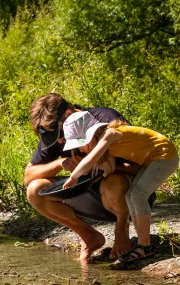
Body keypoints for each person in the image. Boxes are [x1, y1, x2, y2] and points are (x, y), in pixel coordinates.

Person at [25, 93, 141, 262]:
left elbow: (142, 166)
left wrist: (100, 165)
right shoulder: (55, 135)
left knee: (112, 182)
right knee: (35, 190)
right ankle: (89, 237)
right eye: (54, 138)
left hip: (127, 195)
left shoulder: (107, 120)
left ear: (68, 114)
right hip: (92, 195)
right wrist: (61, 163)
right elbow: (28, 176)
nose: (60, 141)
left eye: (60, 135)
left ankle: (121, 230)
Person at [62, 111, 179, 264]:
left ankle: (145, 246)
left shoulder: (109, 135)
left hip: (164, 156)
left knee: (138, 195)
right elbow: (109, 168)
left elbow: (91, 159)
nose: (81, 150)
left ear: (90, 135)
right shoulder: (108, 142)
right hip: (154, 159)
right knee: (131, 196)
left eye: (81, 144)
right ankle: (142, 242)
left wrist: (73, 177)